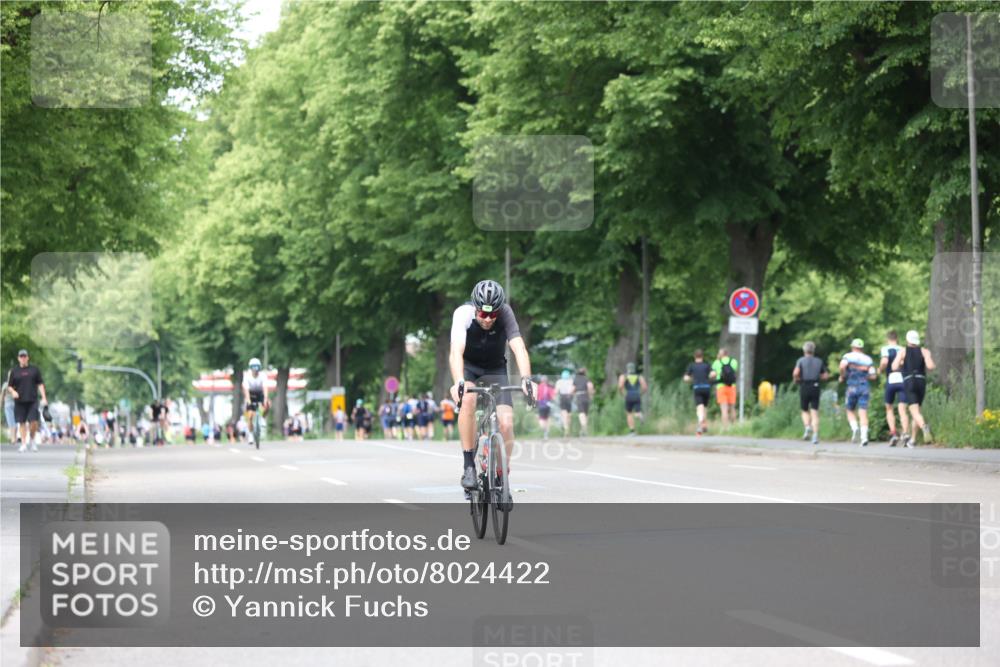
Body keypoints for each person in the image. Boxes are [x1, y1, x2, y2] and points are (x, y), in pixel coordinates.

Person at [449, 279, 533, 498]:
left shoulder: (506, 313)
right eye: (483, 314)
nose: (487, 319)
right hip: (469, 368)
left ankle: (501, 474)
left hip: (496, 368)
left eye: (492, 315)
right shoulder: (463, 314)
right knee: (467, 399)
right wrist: (458, 381)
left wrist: (526, 379)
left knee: (506, 423)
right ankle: (469, 466)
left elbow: (519, 348)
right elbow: (455, 351)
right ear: (475, 308)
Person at [892, 330, 936, 447]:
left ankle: (924, 427)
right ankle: (913, 439)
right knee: (917, 412)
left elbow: (894, 366)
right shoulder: (924, 351)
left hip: (909, 381)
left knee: (914, 412)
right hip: (921, 381)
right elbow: (931, 366)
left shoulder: (903, 351)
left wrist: (902, 362)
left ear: (907, 340)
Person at [5, 349, 48, 452]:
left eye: (24, 356)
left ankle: (32, 441)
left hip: (32, 400)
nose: (23, 358)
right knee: (22, 423)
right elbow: (9, 386)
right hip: (19, 401)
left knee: (34, 422)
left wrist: (44, 397)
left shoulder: (34, 370)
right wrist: (13, 392)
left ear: (28, 358)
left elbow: (40, 384)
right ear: (18, 358)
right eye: (21, 357)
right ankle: (24, 443)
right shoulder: (14, 371)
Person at [839, 338, 877, 446]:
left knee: (849, 410)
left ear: (853, 347)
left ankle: (855, 428)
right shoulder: (868, 359)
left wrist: (842, 376)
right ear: (862, 348)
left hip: (852, 386)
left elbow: (842, 366)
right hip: (864, 387)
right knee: (863, 412)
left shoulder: (848, 356)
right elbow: (873, 376)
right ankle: (864, 437)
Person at [792, 341, 830, 445]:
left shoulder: (801, 361)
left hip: (804, 386)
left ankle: (807, 427)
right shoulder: (819, 361)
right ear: (813, 350)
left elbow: (795, 373)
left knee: (804, 410)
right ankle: (815, 436)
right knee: (814, 412)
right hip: (815, 386)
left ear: (804, 350)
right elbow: (826, 376)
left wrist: (796, 380)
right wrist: (818, 377)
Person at [879, 330, 909, 447]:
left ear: (888, 338)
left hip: (891, 379)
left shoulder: (885, 349)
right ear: (897, 338)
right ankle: (905, 434)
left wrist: (880, 370)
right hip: (903, 380)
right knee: (903, 409)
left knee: (889, 408)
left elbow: (884, 361)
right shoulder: (903, 349)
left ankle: (893, 434)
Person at [683, 350, 713, 435]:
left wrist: (691, 379)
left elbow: (686, 378)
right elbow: (713, 374)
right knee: (705, 407)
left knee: (700, 407)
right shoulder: (707, 365)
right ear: (702, 356)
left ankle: (700, 423)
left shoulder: (692, 366)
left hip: (697, 388)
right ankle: (704, 425)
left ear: (694, 356)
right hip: (707, 388)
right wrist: (709, 377)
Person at [242, 358, 269, 447]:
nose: (255, 369)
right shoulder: (247, 375)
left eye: (257, 367)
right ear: (250, 368)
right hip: (251, 394)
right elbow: (246, 389)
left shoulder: (263, 375)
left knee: (267, 404)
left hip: (260, 393)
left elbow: (265, 388)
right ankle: (250, 435)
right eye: (253, 367)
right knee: (250, 416)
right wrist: (249, 400)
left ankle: (263, 418)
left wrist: (265, 398)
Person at [710, 348, 738, 427]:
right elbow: (734, 371)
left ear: (721, 354)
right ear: (727, 353)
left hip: (721, 387)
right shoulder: (733, 361)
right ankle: (734, 427)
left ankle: (725, 428)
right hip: (732, 387)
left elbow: (712, 374)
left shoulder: (717, 362)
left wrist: (717, 359)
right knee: (732, 408)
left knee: (724, 409)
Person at [618, 362, 648, 435]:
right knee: (638, 411)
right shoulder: (639, 376)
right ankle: (639, 415)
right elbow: (645, 387)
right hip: (637, 394)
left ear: (627, 369)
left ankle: (632, 431)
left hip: (629, 395)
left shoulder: (624, 376)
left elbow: (620, 386)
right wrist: (641, 393)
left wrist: (622, 394)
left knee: (629, 413)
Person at [572, 368, 595, 437]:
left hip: (579, 396)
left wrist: (572, 395)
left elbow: (572, 389)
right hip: (586, 396)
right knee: (586, 414)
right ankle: (583, 429)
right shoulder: (587, 379)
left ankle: (584, 429)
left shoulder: (576, 379)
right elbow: (590, 386)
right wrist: (590, 395)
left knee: (581, 413)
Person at [555, 369, 575, 437]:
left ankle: (566, 429)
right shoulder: (571, 381)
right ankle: (568, 429)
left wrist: (555, 396)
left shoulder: (559, 382)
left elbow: (556, 391)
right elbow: (573, 390)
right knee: (569, 414)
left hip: (562, 397)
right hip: (569, 397)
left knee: (564, 414)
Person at [535, 375, 555, 440]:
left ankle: (544, 431)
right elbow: (553, 396)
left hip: (541, 405)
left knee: (541, 419)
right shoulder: (549, 387)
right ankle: (546, 433)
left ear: (541, 380)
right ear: (547, 381)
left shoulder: (538, 387)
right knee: (547, 419)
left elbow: (535, 397)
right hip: (548, 405)